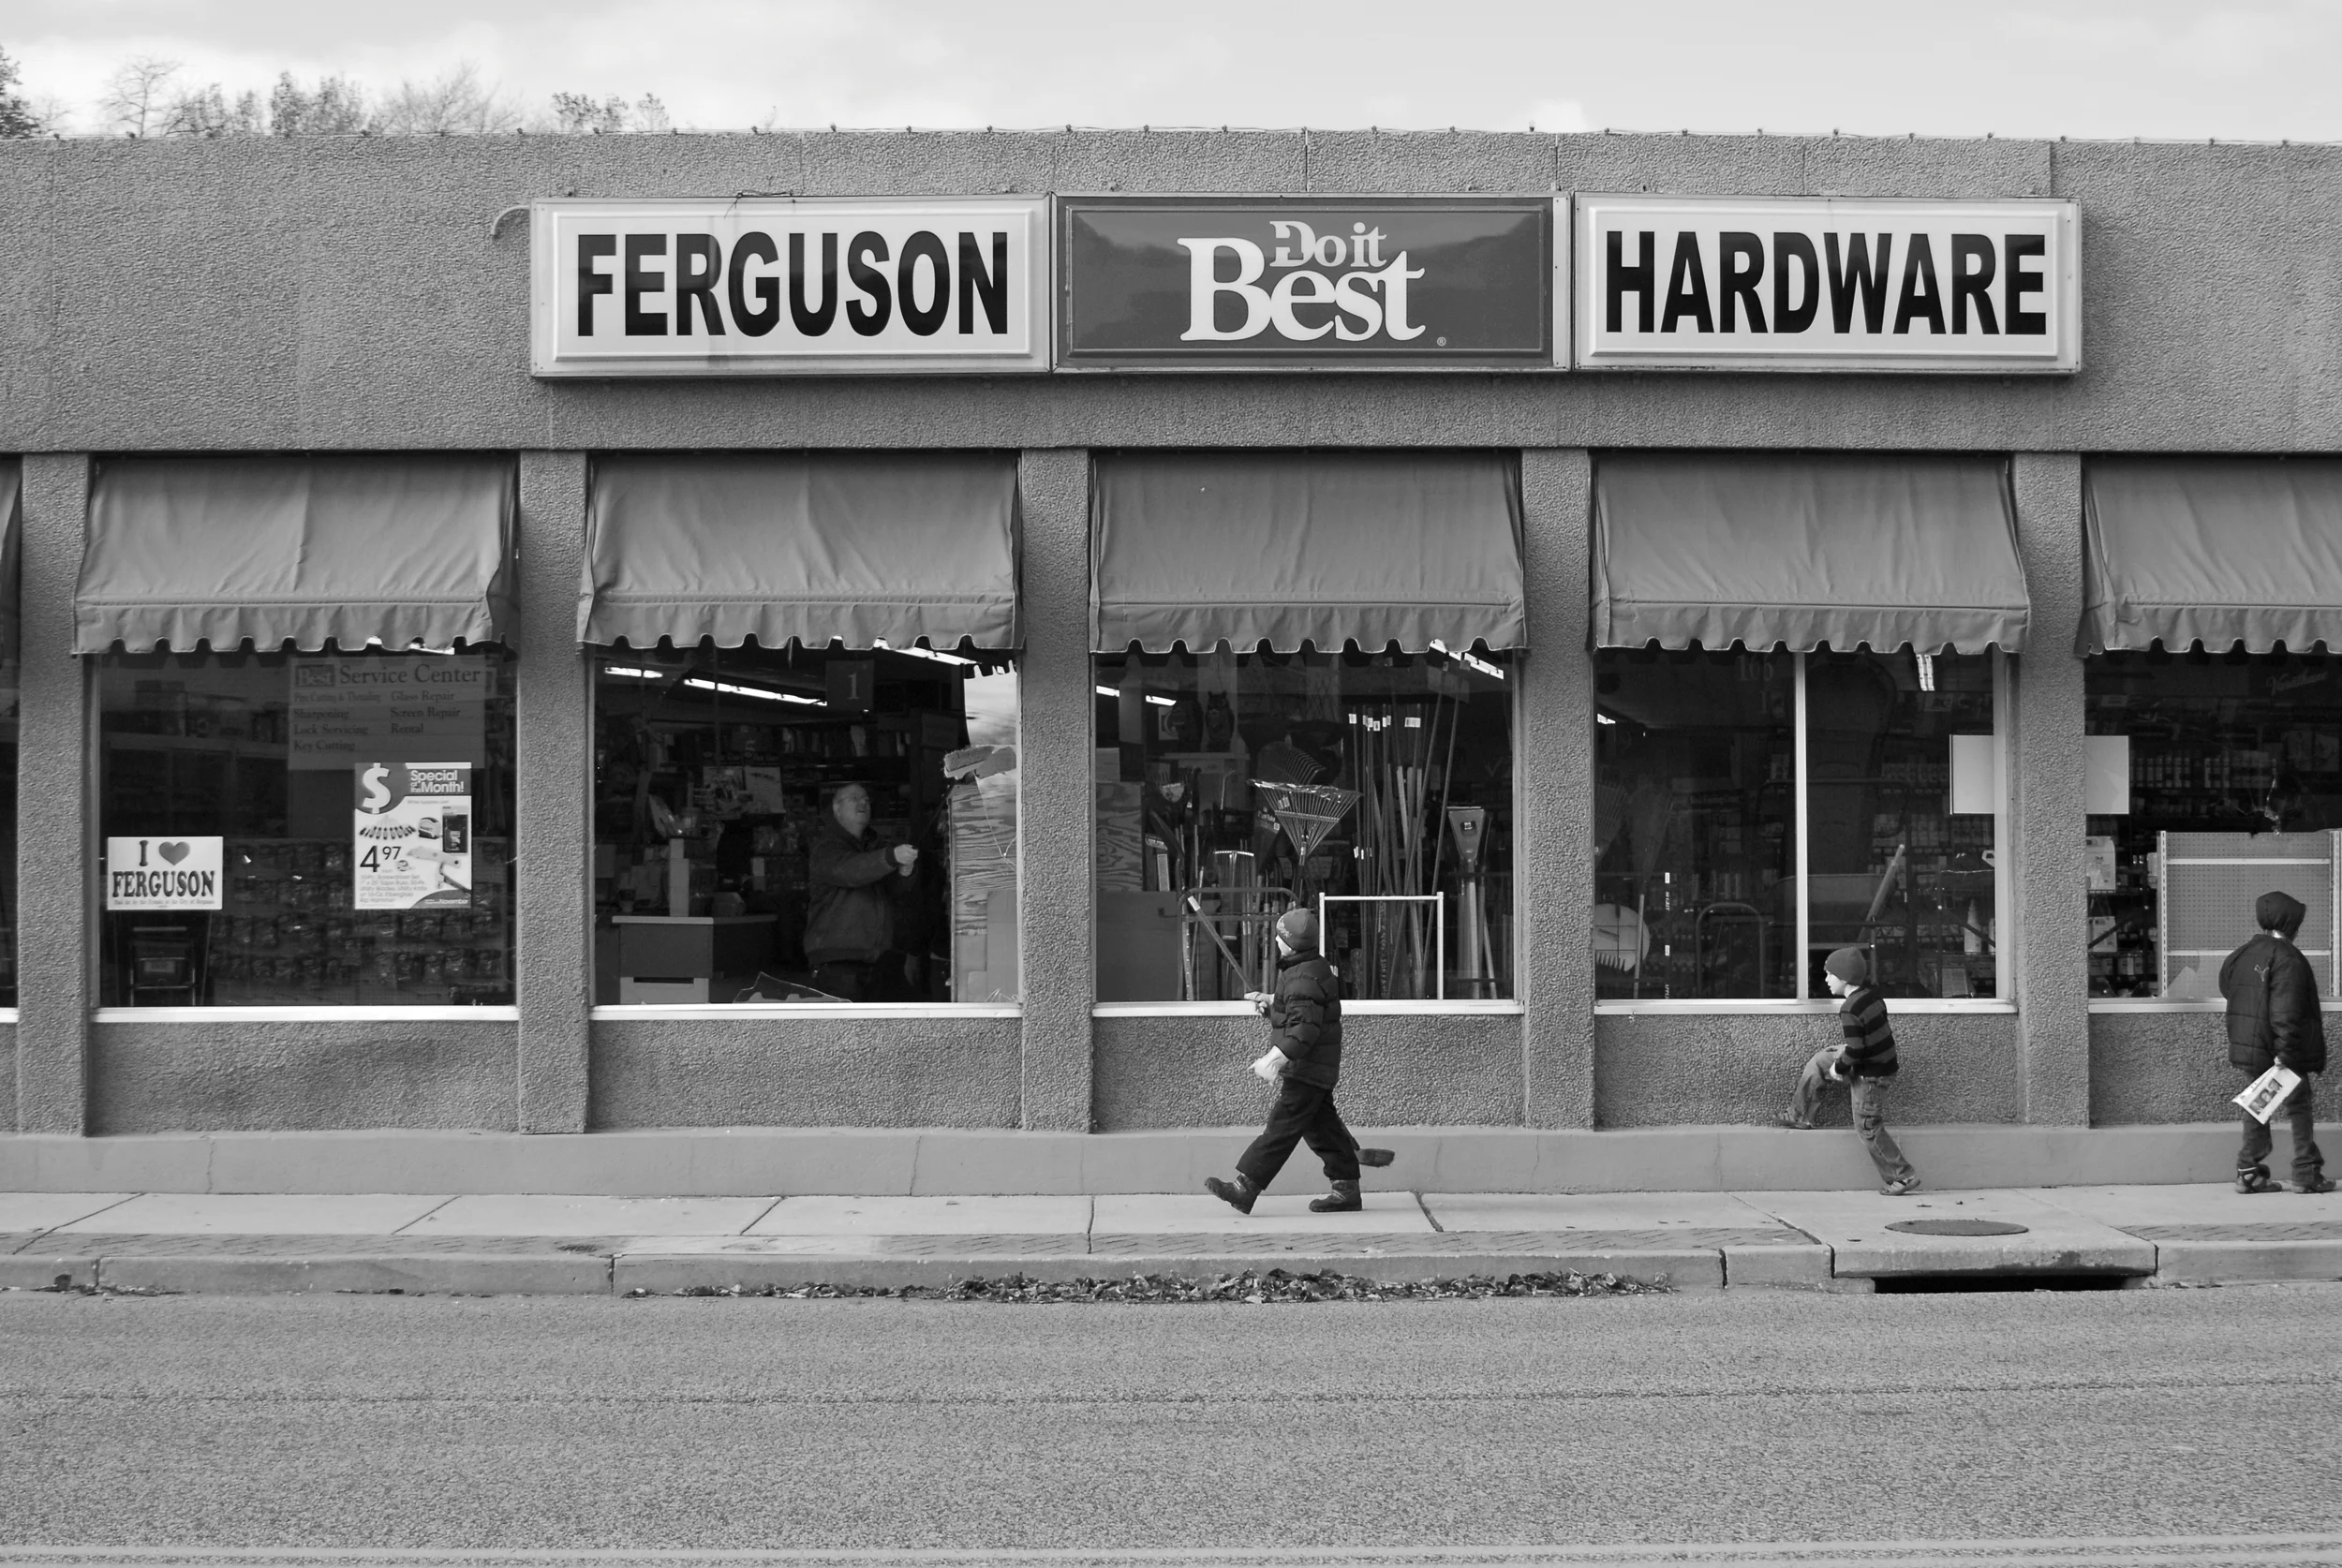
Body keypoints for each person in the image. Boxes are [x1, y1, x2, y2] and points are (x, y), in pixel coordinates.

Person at [1205, 907, 1395, 1215]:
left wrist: (1274, 1058)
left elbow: (1305, 1029)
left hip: (1307, 1068)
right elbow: (1298, 1013)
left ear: (1288, 944)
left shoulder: (1301, 978)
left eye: (1279, 937)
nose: (1276, 941)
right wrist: (1271, 1002)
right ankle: (1346, 1187)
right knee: (1323, 1129)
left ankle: (1245, 1187)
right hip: (1314, 1066)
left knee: (1280, 1129)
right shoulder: (1306, 969)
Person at [1774, 945, 1922, 1196]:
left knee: (1867, 1127)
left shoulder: (1850, 1008)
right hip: (1874, 1062)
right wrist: (1836, 1060)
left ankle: (1902, 1176)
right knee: (1820, 1059)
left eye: (1829, 974)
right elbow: (1866, 1041)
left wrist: (1839, 1068)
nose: (1826, 979)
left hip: (1871, 1075)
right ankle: (1799, 1114)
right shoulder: (1872, 997)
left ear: (1844, 978)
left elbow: (1856, 1049)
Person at [2219, 890, 2333, 1194]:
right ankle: (2307, 1173)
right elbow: (2286, 1009)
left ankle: (2249, 1171)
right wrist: (2285, 1052)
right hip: (2280, 1052)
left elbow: (2229, 986)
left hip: (2250, 1045)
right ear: (2291, 923)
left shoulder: (2245, 952)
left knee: (2259, 1106)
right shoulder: (2288, 958)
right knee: (2298, 1107)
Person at [803, 782, 918, 1002]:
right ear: (837, 808)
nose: (863, 803)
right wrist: (890, 857)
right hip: (838, 963)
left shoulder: (872, 846)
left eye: (866, 800)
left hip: (877, 960)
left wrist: (904, 874)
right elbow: (851, 871)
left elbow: (890, 891)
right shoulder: (826, 848)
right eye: (854, 799)